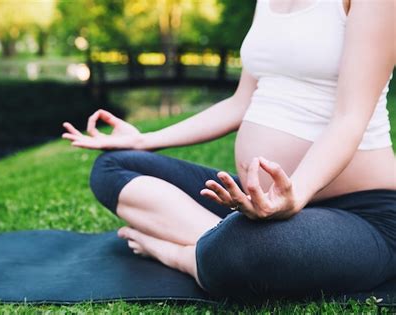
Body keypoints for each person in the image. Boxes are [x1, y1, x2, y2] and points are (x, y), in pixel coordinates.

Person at [62, 0, 396, 300]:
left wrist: (298, 193)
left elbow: (349, 118)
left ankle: (181, 253)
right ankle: (215, 245)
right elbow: (240, 103)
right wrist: (145, 139)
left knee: (245, 249)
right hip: (259, 204)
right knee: (113, 167)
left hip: (363, 213)